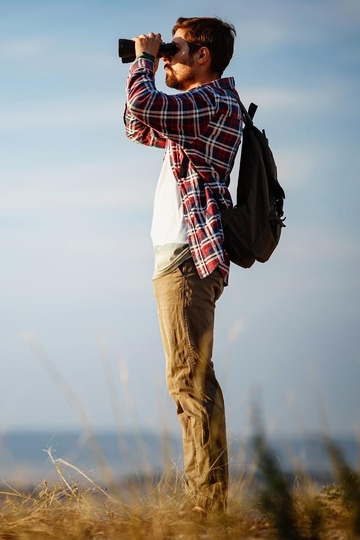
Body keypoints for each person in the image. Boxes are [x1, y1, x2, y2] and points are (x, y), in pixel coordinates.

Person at [123, 17, 242, 514]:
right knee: (190, 377)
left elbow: (143, 104)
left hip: (189, 256)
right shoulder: (195, 112)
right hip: (179, 257)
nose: (168, 58)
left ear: (203, 57)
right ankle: (208, 501)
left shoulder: (212, 101)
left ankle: (207, 508)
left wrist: (144, 63)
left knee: (189, 380)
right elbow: (136, 125)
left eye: (177, 50)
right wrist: (148, 65)